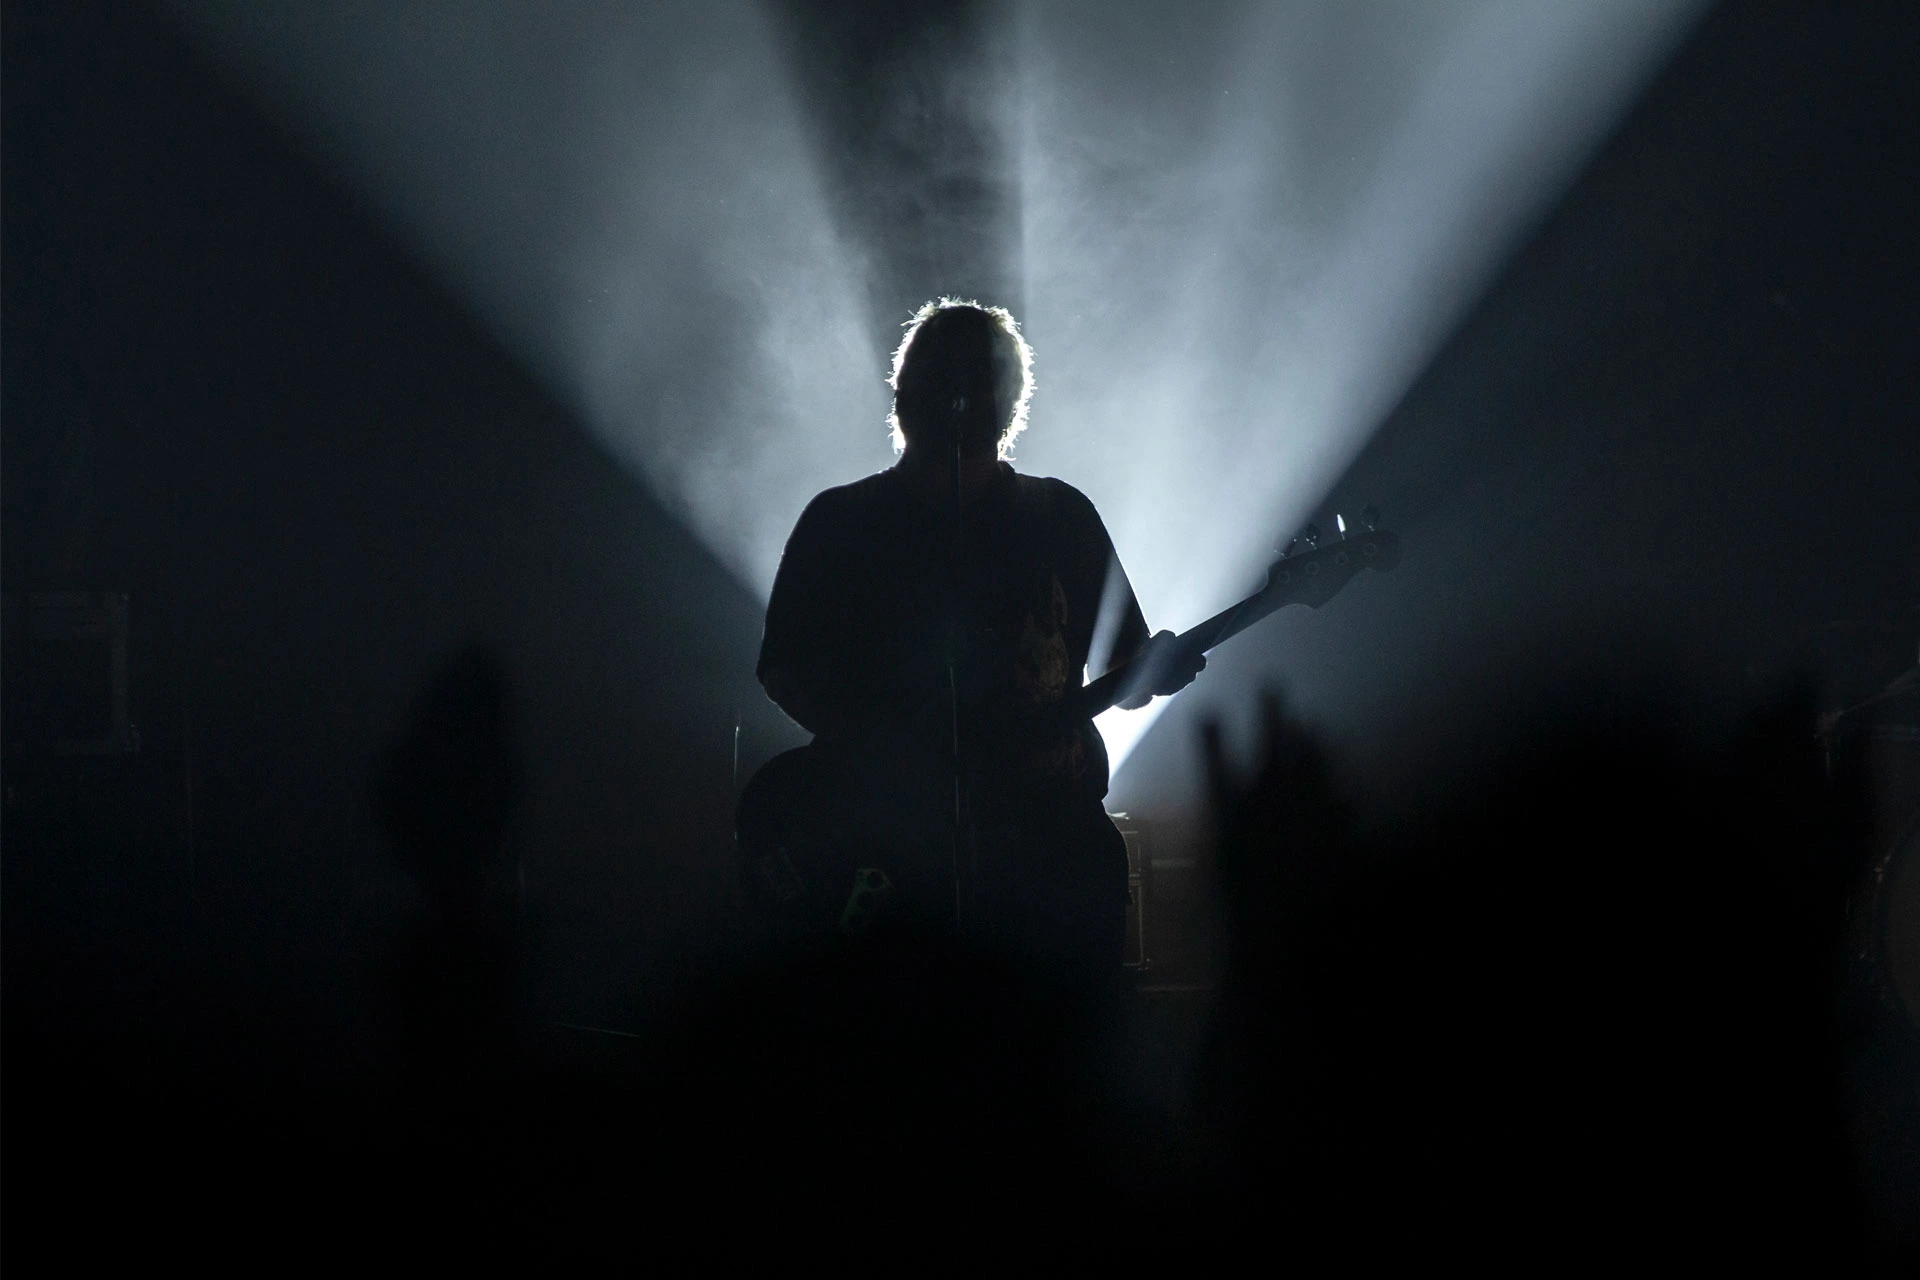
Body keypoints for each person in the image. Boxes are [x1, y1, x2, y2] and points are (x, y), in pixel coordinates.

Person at [754, 299, 1201, 978]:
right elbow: (783, 667)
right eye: (942, 374)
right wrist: (883, 759)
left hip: (1049, 852)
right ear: (904, 395)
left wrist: (1153, 667)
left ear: (1011, 398)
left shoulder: (1061, 517)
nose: (960, 391)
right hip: (889, 851)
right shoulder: (844, 522)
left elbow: (1127, 669)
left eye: (980, 376)